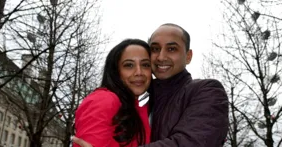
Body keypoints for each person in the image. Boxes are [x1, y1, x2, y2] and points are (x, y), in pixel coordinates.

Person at [74, 23, 229, 147]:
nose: (161, 57)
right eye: (155, 49)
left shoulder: (206, 91)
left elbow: (193, 142)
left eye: (172, 49)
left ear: (188, 56)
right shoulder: (133, 102)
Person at [73, 39, 152, 147]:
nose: (139, 72)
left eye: (146, 65)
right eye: (129, 65)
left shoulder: (141, 108)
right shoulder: (104, 100)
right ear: (115, 71)